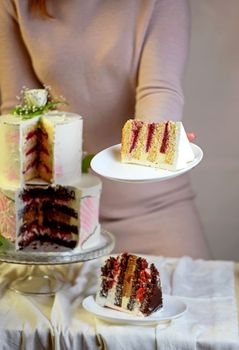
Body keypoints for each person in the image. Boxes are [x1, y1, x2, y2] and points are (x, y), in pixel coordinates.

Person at [0, 0, 210, 258]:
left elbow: (159, 90)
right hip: (62, 214)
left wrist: (159, 138)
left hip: (156, 211)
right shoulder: (15, 4)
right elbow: (19, 109)